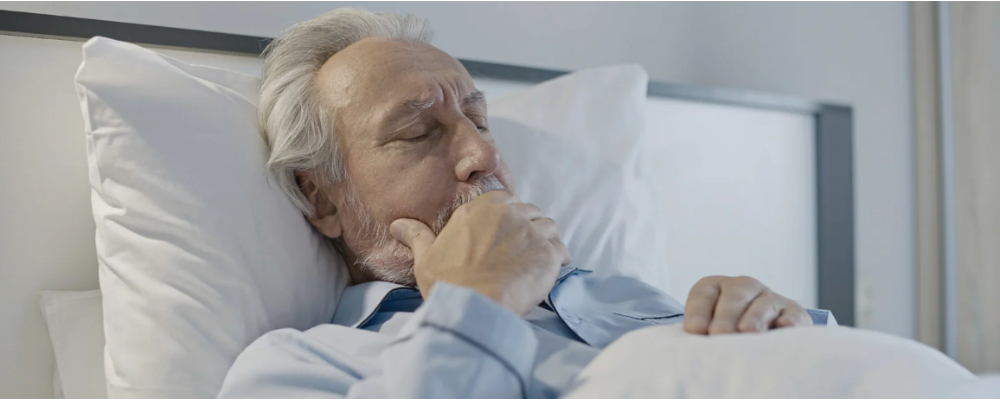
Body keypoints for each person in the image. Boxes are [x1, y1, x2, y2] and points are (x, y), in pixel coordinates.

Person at [218, 8, 835, 398]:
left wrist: (781, 330)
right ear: (323, 199)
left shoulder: (634, 298)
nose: (483, 156)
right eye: (417, 132)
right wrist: (476, 305)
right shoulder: (302, 368)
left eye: (480, 122)